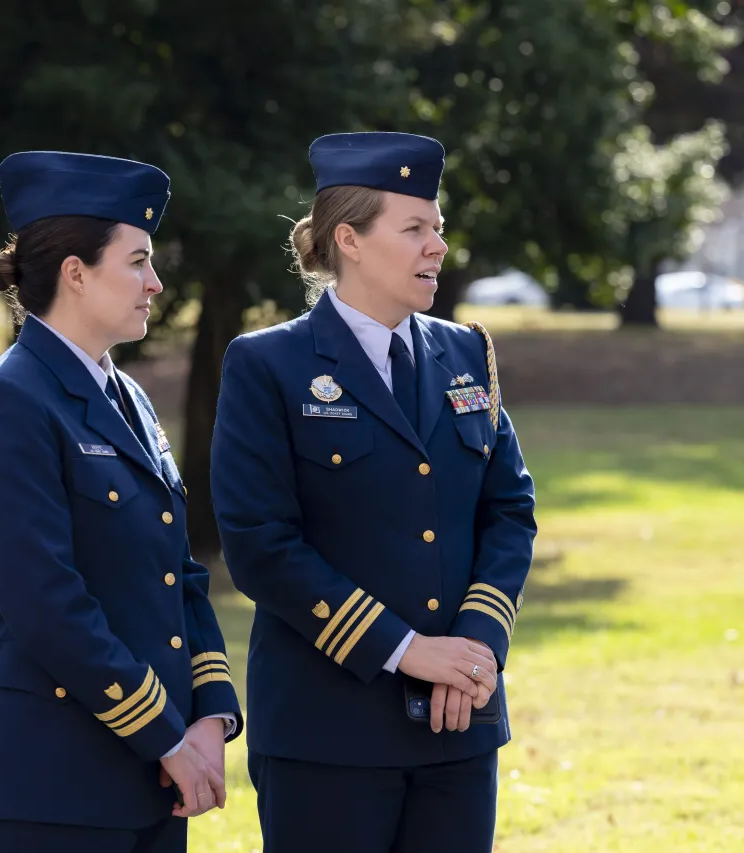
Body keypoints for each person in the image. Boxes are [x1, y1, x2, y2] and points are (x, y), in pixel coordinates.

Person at [208, 131, 539, 853]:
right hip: (328, 733)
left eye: (439, 228)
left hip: (459, 724)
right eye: (415, 228)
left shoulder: (465, 352)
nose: (438, 247)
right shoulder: (268, 364)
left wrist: (474, 648)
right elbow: (261, 546)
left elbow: (509, 510)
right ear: (349, 239)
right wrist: (407, 650)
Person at [0, 151, 243, 853]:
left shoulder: (124, 395)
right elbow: (45, 600)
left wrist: (210, 714)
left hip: (146, 788)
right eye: (137, 261)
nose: (155, 282)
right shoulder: (10, 399)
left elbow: (179, 573)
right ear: (75, 272)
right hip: (41, 791)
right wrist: (165, 733)